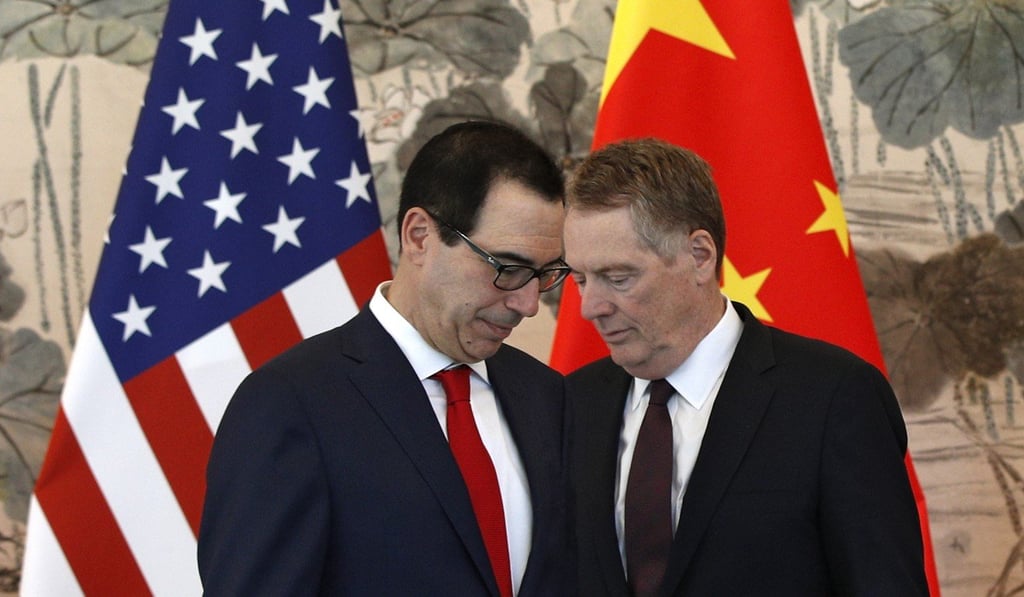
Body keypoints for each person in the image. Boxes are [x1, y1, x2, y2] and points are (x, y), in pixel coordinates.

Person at [198, 121, 573, 596]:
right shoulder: (291, 403)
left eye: (545, 274)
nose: (528, 303)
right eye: (508, 269)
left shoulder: (546, 394)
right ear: (419, 236)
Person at [563, 138, 928, 596]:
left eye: (618, 278)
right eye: (579, 279)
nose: (590, 307)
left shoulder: (834, 398)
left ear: (700, 256)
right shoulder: (571, 403)